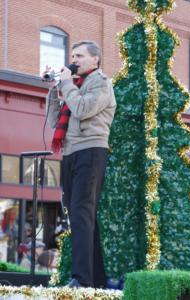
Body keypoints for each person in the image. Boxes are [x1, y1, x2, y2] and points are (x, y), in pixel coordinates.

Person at [44, 40, 116, 288]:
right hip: (71, 153)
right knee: (82, 216)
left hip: (92, 151)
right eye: (72, 55)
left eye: (80, 56)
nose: (74, 60)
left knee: (81, 212)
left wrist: (65, 84)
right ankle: (97, 278)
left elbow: (83, 109)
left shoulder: (101, 84)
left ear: (95, 60)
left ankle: (81, 279)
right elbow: (55, 121)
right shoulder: (74, 85)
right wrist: (54, 89)